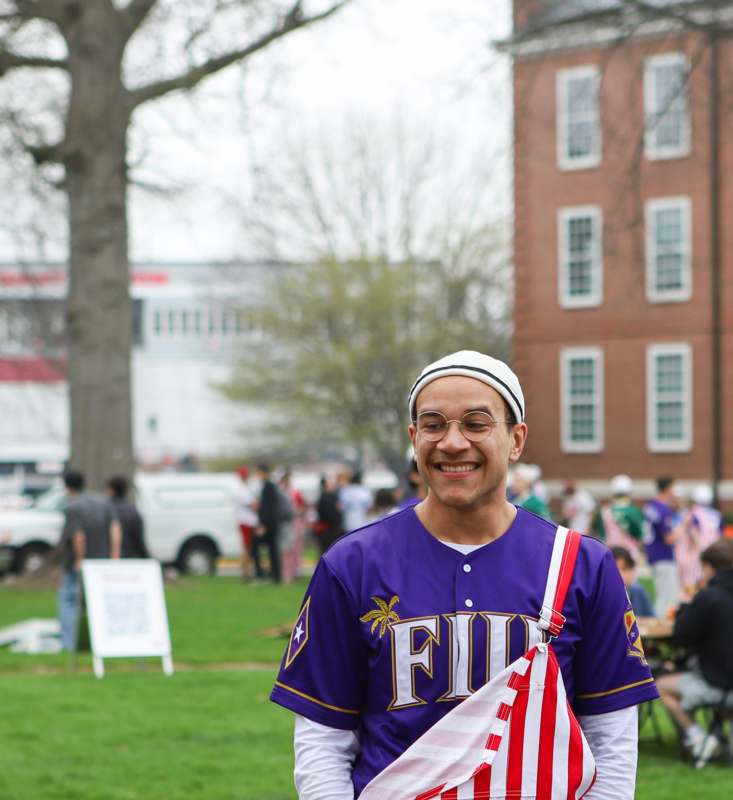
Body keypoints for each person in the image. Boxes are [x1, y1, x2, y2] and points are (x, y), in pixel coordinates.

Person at [271, 350, 658, 799]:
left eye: (476, 423)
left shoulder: (580, 564)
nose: (453, 443)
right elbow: (323, 741)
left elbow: (610, 738)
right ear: (414, 439)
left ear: (516, 439)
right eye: (434, 425)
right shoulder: (353, 563)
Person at [656, 538, 733, 767]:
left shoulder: (709, 597)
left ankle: (699, 737)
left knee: (659, 684)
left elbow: (681, 635)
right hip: (725, 680)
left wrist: (686, 608)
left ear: (709, 567)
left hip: (719, 684)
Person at [58, 470, 121, 651]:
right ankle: (103, 640)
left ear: (66, 485)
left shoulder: (72, 507)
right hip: (101, 564)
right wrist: (114, 556)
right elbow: (115, 529)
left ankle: (69, 644)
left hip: (79, 565)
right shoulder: (103, 503)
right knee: (98, 603)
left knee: (69, 602)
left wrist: (79, 559)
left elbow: (78, 537)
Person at [644, 476, 683, 618]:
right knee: (667, 596)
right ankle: (661, 628)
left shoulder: (651, 505)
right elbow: (669, 538)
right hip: (664, 555)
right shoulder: (663, 509)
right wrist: (684, 526)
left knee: (662, 593)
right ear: (668, 489)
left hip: (653, 554)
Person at [674, 484, 724, 597]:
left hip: (697, 553)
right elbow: (720, 536)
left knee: (690, 585)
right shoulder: (717, 515)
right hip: (714, 552)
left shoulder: (693, 513)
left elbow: (693, 534)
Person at [593, 474, 646, 564]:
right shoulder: (633, 511)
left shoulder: (603, 511)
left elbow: (599, 533)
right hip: (629, 551)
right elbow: (639, 534)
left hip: (609, 551)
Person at [105, 475, 149, 558]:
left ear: (111, 490)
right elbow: (138, 539)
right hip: (128, 557)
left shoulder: (103, 508)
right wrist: (145, 557)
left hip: (105, 558)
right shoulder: (133, 510)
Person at [252, 464, 281, 583]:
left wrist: (262, 524)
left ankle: (261, 574)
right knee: (272, 549)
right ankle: (274, 575)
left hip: (268, 524)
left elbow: (267, 508)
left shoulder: (267, 487)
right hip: (272, 523)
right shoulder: (272, 486)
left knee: (255, 548)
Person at [612, 546, 654, 618]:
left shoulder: (638, 591)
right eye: (622, 569)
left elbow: (652, 617)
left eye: (629, 568)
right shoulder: (604, 595)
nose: (627, 573)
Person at [233, 465, 258, 580]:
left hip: (247, 521)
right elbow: (253, 505)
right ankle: (245, 572)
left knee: (247, 548)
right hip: (245, 522)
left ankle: (246, 571)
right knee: (246, 548)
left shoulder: (245, 488)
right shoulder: (241, 490)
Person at [313, 475, 343, 557]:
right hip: (330, 528)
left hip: (326, 528)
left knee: (325, 551)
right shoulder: (330, 497)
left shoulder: (322, 496)